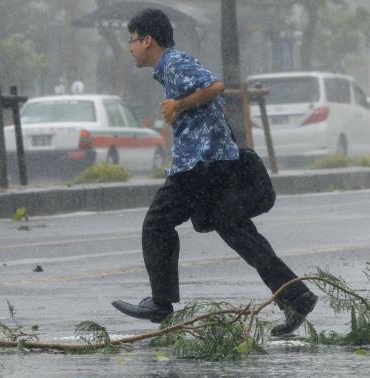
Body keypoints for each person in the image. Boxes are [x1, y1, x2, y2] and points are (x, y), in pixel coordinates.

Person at [111, 8, 317, 336]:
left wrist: (178, 106)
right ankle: (296, 295)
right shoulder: (171, 67)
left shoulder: (175, 64)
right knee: (235, 229)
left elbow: (216, 86)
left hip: (200, 164)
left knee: (157, 223)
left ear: (147, 40)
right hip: (215, 161)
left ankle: (160, 303)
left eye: (132, 40)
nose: (130, 47)